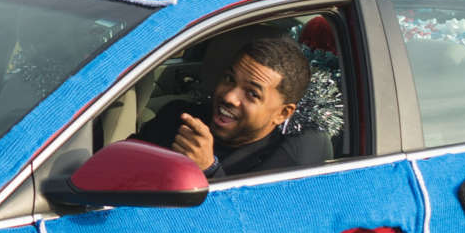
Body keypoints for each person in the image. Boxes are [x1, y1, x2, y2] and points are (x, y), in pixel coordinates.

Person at [132, 33, 325, 178]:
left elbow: (250, 226)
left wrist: (209, 170)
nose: (229, 96)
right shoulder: (178, 118)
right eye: (229, 79)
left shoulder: (284, 166)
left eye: (252, 94)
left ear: (283, 113)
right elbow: (120, 164)